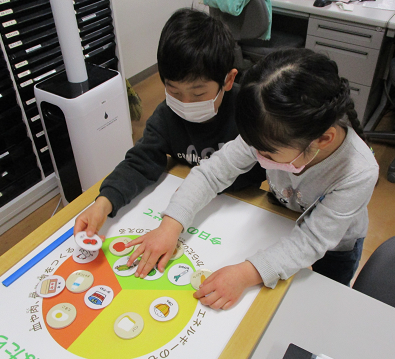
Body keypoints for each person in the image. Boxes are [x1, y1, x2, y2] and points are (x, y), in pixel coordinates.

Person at [124, 48, 379, 310]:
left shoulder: (358, 172)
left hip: (336, 246)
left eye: (267, 153)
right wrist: (171, 224)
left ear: (322, 140)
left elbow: (312, 241)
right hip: (282, 218)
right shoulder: (268, 129)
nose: (257, 155)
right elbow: (212, 172)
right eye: (253, 146)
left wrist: (246, 274)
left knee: (323, 306)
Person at [73, 8, 266, 238]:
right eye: (173, 91)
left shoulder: (248, 115)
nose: (185, 103)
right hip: (181, 207)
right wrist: (104, 202)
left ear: (228, 79)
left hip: (235, 210)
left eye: (197, 95)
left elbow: (263, 175)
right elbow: (140, 161)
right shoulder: (166, 115)